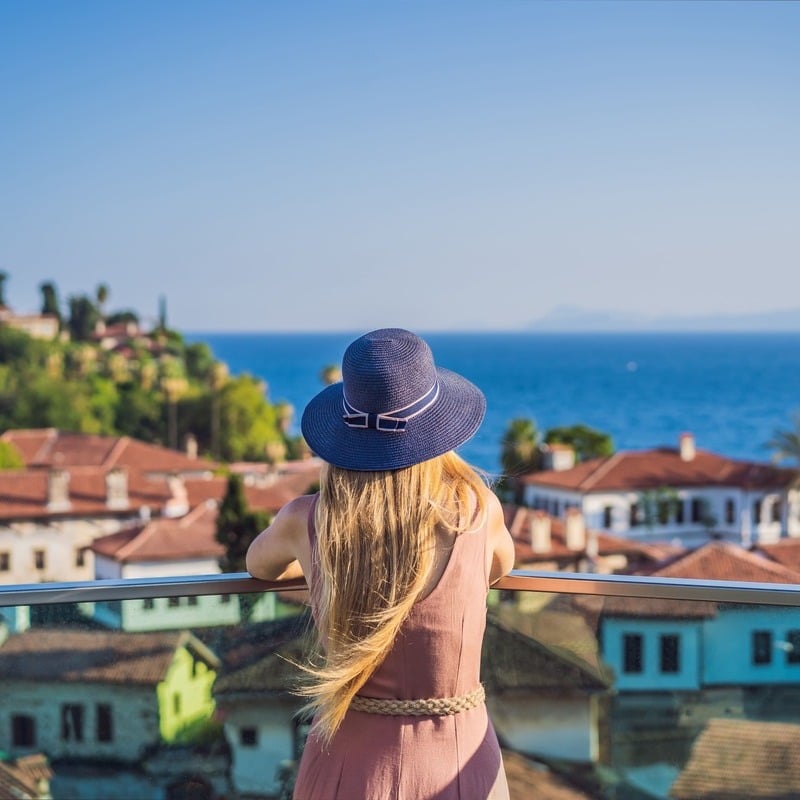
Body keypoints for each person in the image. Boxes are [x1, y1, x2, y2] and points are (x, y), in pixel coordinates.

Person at [246, 327, 515, 799]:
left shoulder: (305, 522)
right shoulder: (478, 513)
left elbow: (259, 567)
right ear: (438, 430)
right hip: (460, 758)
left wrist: (318, 566)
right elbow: (499, 569)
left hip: (347, 764)